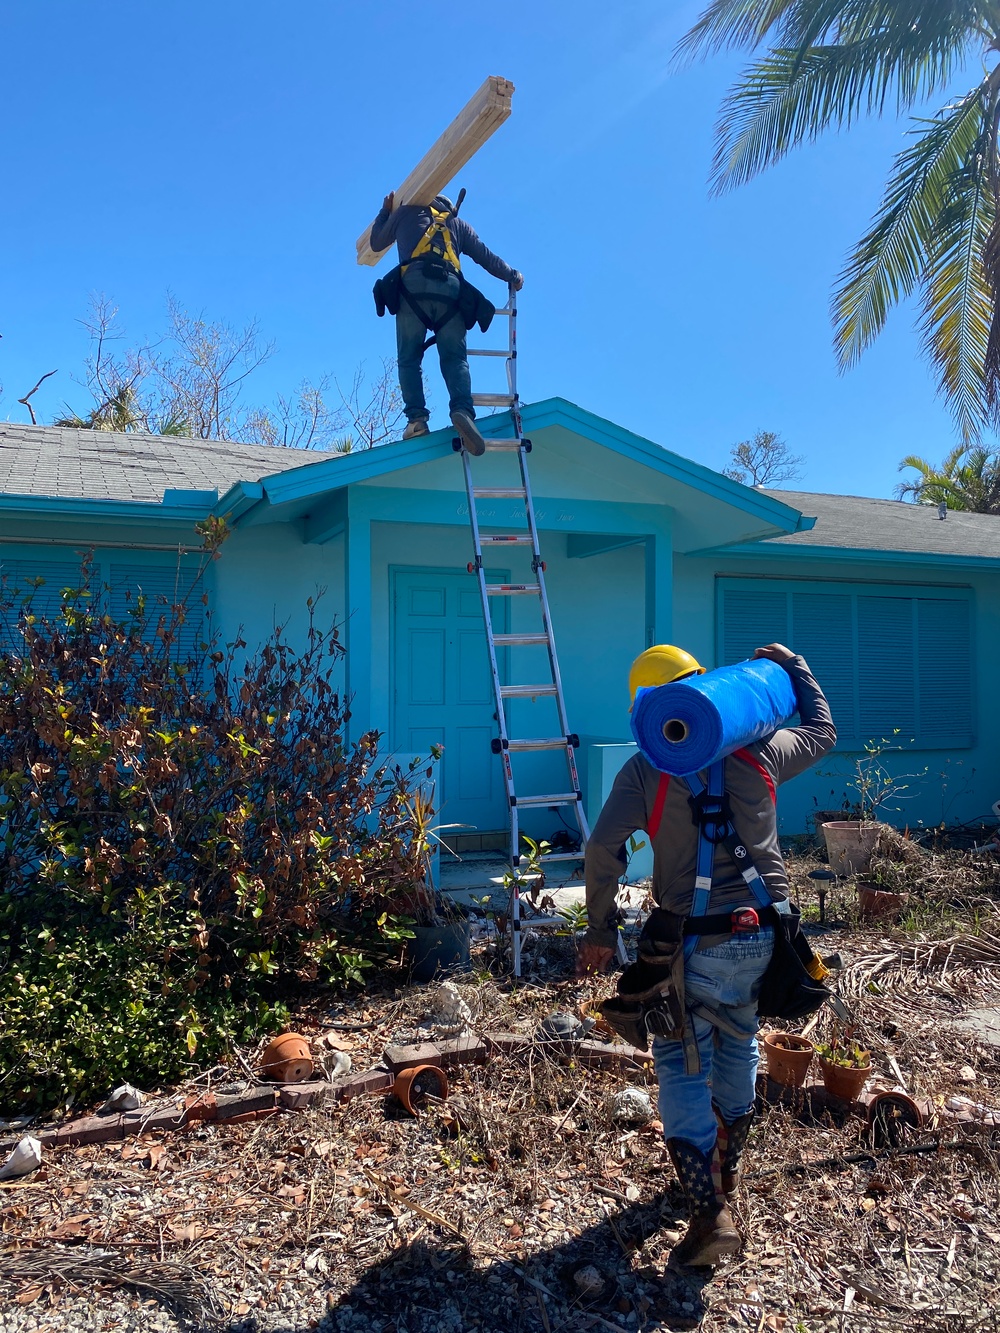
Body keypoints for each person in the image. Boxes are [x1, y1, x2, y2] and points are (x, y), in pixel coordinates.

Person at [577, 642, 836, 1268]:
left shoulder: (645, 771)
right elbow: (823, 731)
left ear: (650, 708)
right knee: (739, 1040)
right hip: (764, 938)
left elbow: (601, 851)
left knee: (679, 1058)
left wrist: (600, 929)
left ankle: (707, 1210)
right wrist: (796, 666)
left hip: (689, 943)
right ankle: (724, 1173)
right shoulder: (764, 752)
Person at [370, 192, 523, 455]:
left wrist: (385, 212)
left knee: (409, 358)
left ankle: (417, 421)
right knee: (455, 358)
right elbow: (486, 257)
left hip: (413, 290)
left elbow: (376, 243)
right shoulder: (459, 225)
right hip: (450, 292)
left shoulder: (405, 213)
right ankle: (463, 410)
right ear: (450, 208)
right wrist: (513, 275)